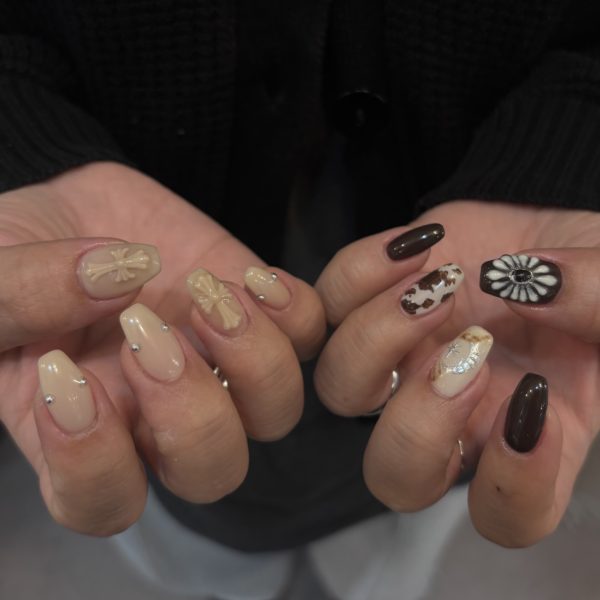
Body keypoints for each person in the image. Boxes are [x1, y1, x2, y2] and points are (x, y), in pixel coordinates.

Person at [2, 0, 600, 597]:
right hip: (150, 299)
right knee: (207, 534)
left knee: (399, 511)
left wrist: (572, 160)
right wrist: (23, 147)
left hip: (455, 328)